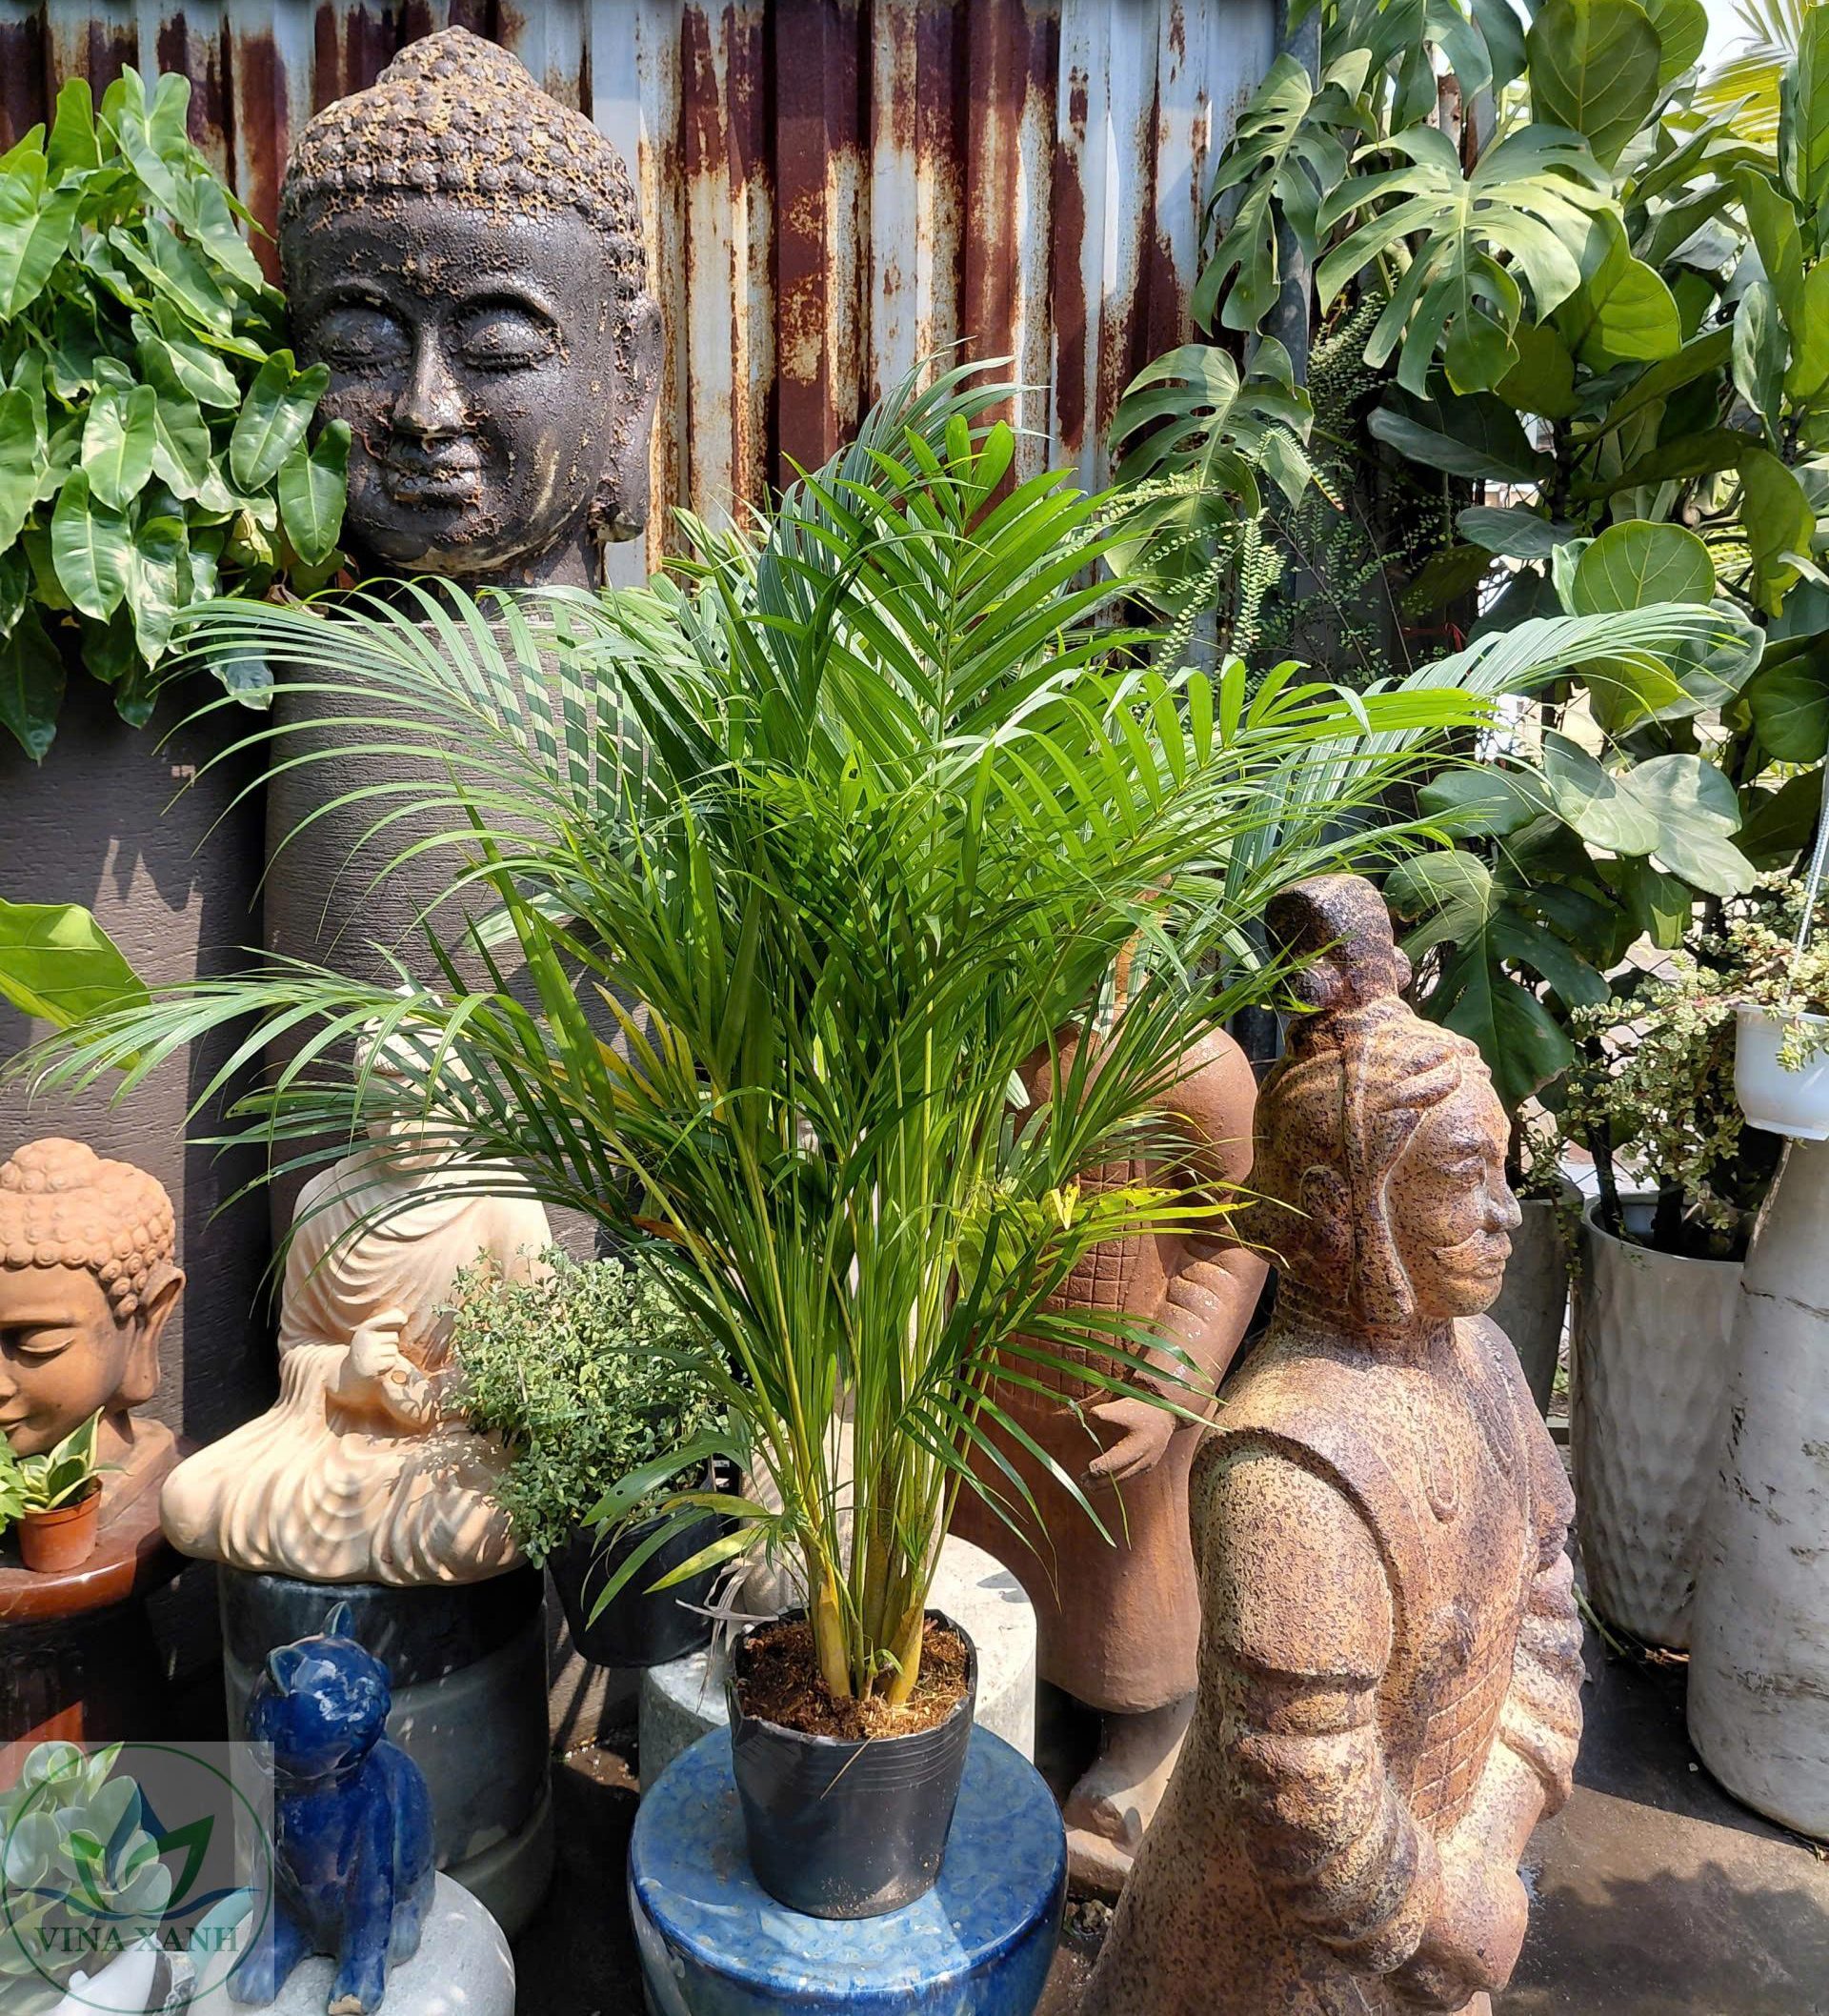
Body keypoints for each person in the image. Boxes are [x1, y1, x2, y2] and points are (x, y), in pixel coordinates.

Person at [1082, 876, 1583, 2016]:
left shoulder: (1486, 1362)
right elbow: (1308, 1795)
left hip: (1443, 1906)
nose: (1506, 1210)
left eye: (1502, 1168)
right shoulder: (1289, 1467)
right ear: (1342, 1207)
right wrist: (1447, 1922)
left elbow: (1546, 1604)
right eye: (1462, 1176)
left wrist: (1487, 1849)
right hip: (1261, 1963)